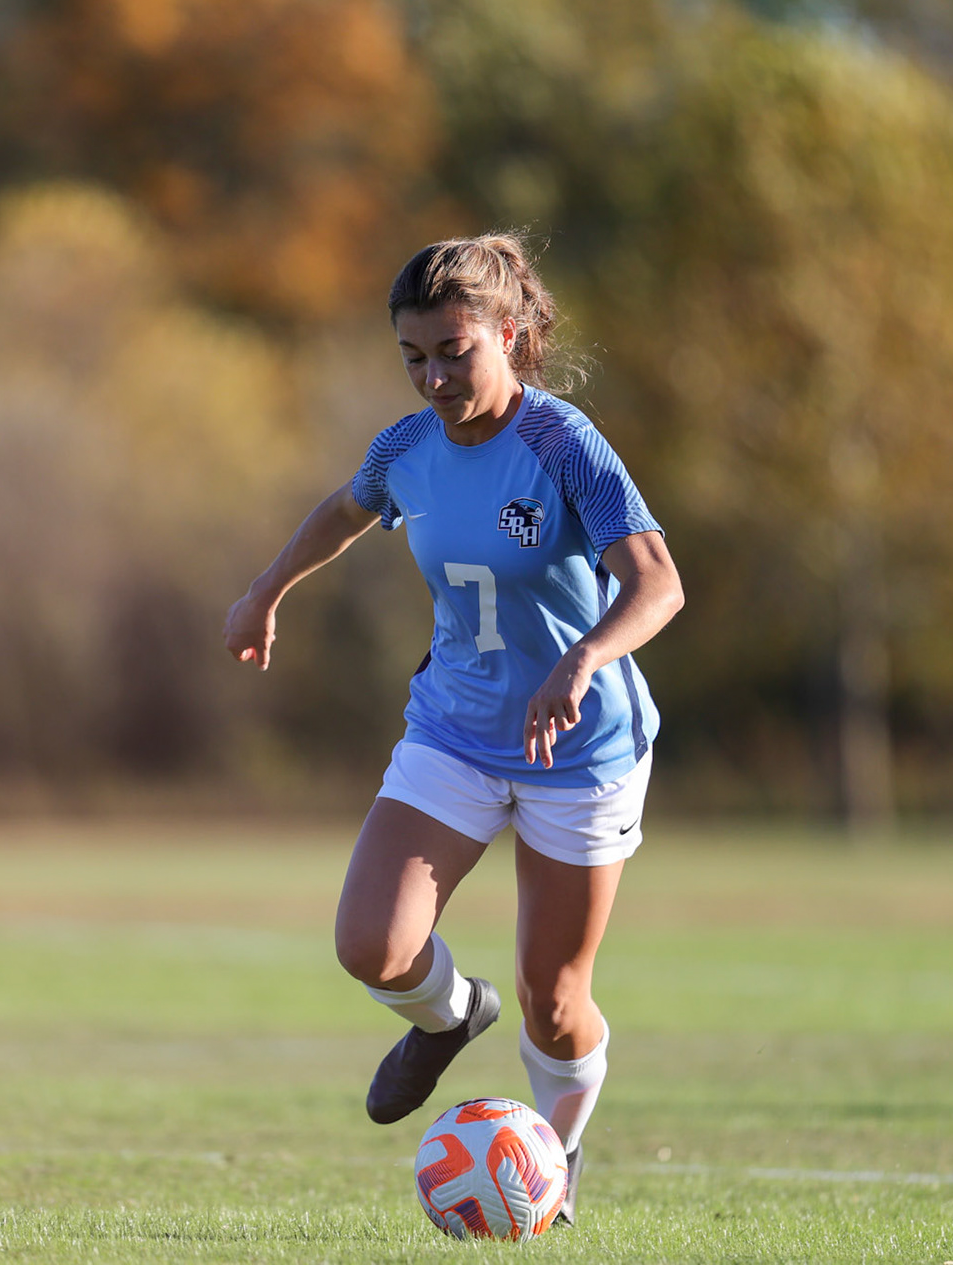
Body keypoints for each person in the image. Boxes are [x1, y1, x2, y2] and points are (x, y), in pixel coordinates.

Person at [223, 235, 684, 1226]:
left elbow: (658, 584)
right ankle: (449, 1015)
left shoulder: (562, 443)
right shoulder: (406, 450)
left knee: (555, 1002)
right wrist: (267, 592)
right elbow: (344, 511)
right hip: (456, 731)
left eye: (454, 351)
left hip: (579, 750)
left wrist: (582, 658)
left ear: (507, 337)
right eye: (414, 356)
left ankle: (549, 1161)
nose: (435, 376)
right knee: (370, 944)